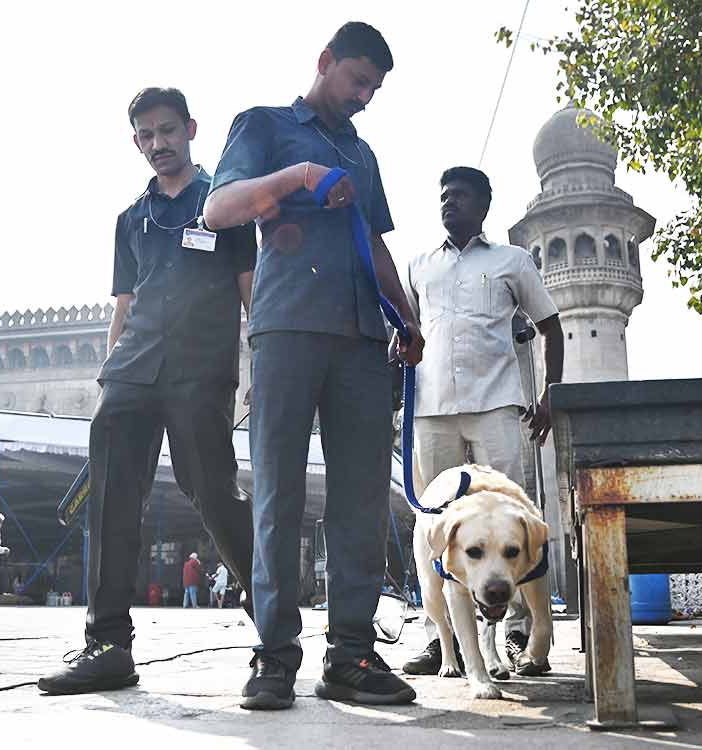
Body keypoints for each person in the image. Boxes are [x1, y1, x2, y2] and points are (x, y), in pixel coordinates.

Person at [203, 21, 423, 710]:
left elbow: (377, 245)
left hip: (361, 339)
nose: (365, 96)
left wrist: (409, 317)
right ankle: (273, 657)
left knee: (359, 501)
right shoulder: (264, 125)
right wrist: (297, 177)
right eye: (358, 80)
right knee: (278, 495)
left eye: (376, 88)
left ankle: (352, 655)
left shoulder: (363, 153)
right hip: (288, 328)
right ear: (325, 62)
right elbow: (217, 210)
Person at [37, 87, 259, 696]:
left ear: (190, 128)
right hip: (131, 371)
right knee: (111, 501)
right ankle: (106, 644)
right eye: (146, 135)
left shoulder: (224, 204)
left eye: (168, 131)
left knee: (210, 489)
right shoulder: (129, 219)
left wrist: (262, 366)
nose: (159, 144)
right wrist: (109, 368)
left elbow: (251, 292)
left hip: (199, 369)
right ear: (136, 141)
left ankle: (270, 618)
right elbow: (125, 302)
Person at [400, 167, 564, 677]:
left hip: (495, 403)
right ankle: (439, 638)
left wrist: (550, 395)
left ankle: (517, 633)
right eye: (443, 196)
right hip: (430, 407)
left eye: (461, 196)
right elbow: (407, 332)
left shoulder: (511, 261)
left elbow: (551, 327)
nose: (449, 203)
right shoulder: (419, 265)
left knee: (513, 521)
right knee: (435, 526)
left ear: (484, 205)